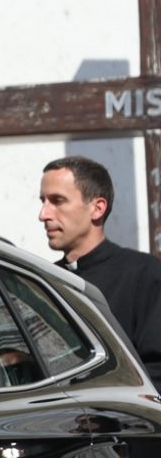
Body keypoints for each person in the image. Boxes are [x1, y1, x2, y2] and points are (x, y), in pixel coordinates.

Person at [38, 155, 161, 385]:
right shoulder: (42, 282)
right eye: (43, 201)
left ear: (97, 208)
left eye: (57, 201)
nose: (43, 214)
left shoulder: (145, 275)